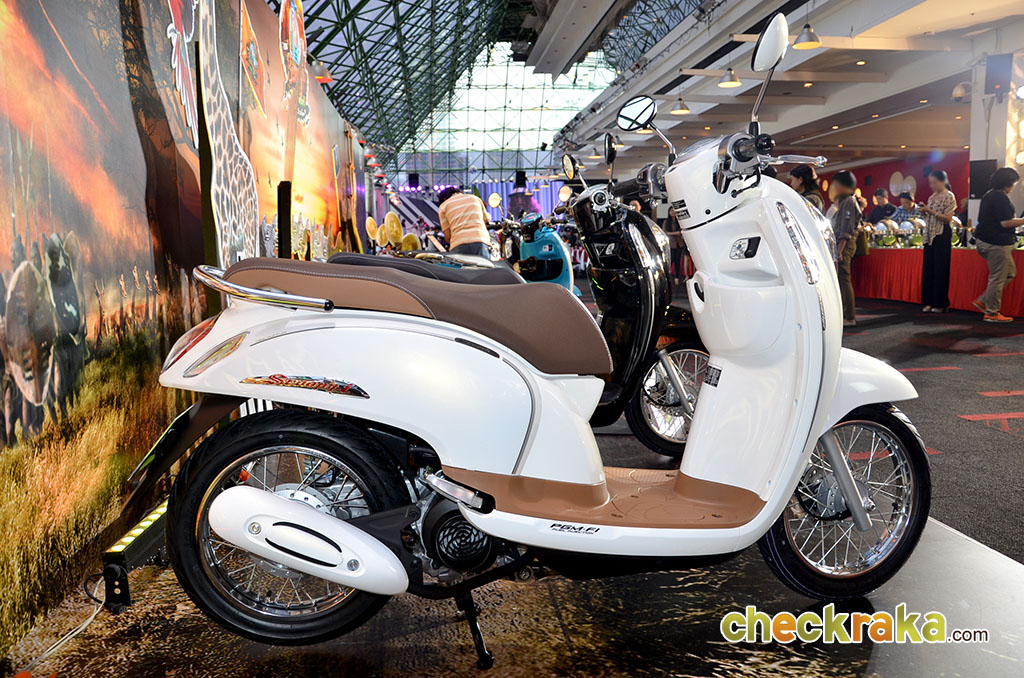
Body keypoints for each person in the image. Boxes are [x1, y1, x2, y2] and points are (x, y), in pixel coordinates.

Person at [972, 167, 1024, 322]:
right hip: (996, 243)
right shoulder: (1000, 198)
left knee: (1010, 273)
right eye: (1014, 183)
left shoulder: (989, 195)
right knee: (997, 278)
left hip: (986, 241)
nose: (1014, 186)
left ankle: (984, 300)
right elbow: (1006, 223)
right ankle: (992, 312)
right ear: (1008, 183)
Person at [918, 170, 957, 312]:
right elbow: (929, 218)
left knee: (940, 269)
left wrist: (930, 211)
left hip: (942, 234)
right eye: (931, 183)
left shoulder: (949, 196)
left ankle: (940, 303)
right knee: (928, 269)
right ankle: (928, 301)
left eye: (935, 183)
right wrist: (924, 212)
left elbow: (947, 218)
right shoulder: (932, 197)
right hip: (929, 235)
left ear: (943, 181)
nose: (932, 186)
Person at [829, 170, 860, 326]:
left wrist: (839, 251)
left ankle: (849, 316)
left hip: (845, 245)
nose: (834, 187)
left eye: (836, 184)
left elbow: (846, 229)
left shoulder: (848, 202)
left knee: (844, 279)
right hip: (843, 244)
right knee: (842, 279)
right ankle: (846, 314)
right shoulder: (846, 201)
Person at [437, 186, 490, 257]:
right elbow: (486, 221)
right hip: (481, 241)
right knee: (484, 264)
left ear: (444, 199)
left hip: (459, 244)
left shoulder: (444, 206)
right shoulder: (475, 198)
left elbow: (448, 236)